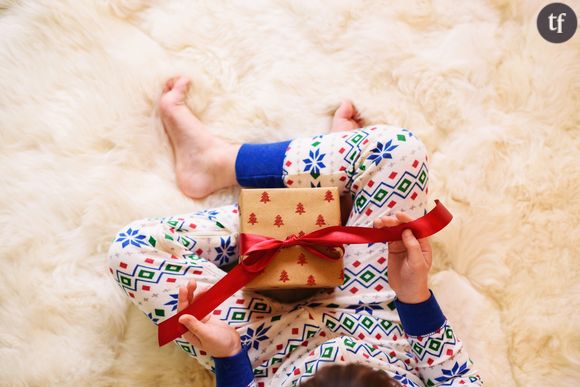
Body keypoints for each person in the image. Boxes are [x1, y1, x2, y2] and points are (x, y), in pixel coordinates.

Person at [108, 77, 482, 386]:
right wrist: (415, 298)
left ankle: (321, 198)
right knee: (399, 152)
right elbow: (453, 375)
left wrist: (228, 354)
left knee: (131, 250)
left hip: (268, 348)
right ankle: (227, 164)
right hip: (379, 312)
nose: (336, 360)